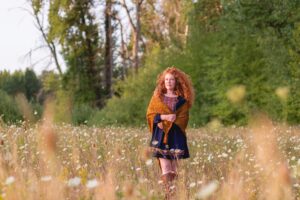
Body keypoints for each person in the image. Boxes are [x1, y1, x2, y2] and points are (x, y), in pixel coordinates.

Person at [146, 66, 194, 196]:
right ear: (163, 81)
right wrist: (163, 118)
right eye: (166, 79)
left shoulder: (182, 100)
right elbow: (151, 115)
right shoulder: (157, 97)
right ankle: (169, 196)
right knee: (166, 169)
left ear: (176, 82)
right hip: (161, 137)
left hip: (176, 137)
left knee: (174, 171)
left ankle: (174, 195)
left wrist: (170, 122)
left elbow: (183, 119)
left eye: (171, 79)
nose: (168, 82)